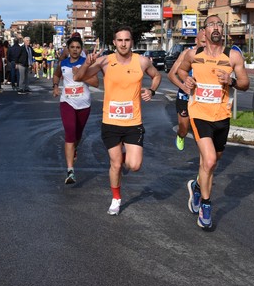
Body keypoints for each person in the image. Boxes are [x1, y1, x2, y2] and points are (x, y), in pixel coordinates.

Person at [74, 25, 161, 216]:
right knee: (115, 164)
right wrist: (87, 63)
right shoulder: (105, 61)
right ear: (114, 43)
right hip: (111, 122)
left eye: (127, 40)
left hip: (133, 122)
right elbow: (78, 77)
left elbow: (156, 76)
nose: (123, 44)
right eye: (120, 40)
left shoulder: (142, 61)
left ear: (132, 42)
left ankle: (123, 156)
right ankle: (116, 198)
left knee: (135, 165)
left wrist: (152, 90)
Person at [177, 15, 250, 229]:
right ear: (204, 31)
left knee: (213, 161)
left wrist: (232, 81)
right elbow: (181, 69)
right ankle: (206, 207)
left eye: (219, 24)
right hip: (199, 114)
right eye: (211, 24)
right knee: (208, 161)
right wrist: (187, 80)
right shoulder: (194, 54)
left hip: (222, 116)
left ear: (223, 30)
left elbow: (245, 83)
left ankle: (197, 186)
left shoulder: (233, 56)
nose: (216, 27)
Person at [53, 36, 99, 184]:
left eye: (78, 47)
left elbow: (96, 83)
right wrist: (55, 87)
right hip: (67, 102)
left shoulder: (86, 63)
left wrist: (80, 74)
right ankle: (70, 171)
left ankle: (74, 149)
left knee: (77, 134)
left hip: (84, 103)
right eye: (72, 47)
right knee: (70, 132)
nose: (75, 50)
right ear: (68, 49)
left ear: (81, 49)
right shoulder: (63, 63)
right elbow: (56, 75)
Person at [167, 27, 206, 151]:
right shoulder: (187, 53)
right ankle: (180, 135)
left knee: (201, 131)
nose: (206, 45)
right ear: (196, 40)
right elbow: (171, 74)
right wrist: (184, 87)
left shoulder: (214, 56)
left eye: (208, 42)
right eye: (203, 42)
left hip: (202, 98)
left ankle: (205, 158)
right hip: (185, 96)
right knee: (184, 128)